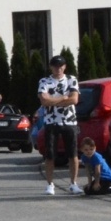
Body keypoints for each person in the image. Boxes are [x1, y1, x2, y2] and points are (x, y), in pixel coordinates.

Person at [38, 55, 83, 196]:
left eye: (61, 66)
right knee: (50, 155)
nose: (58, 69)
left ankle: (73, 183)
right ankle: (50, 184)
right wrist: (62, 98)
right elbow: (44, 101)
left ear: (65, 67)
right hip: (51, 122)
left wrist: (53, 100)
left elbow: (74, 99)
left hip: (69, 121)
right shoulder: (44, 81)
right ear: (51, 67)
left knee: (73, 153)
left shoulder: (71, 80)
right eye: (55, 66)